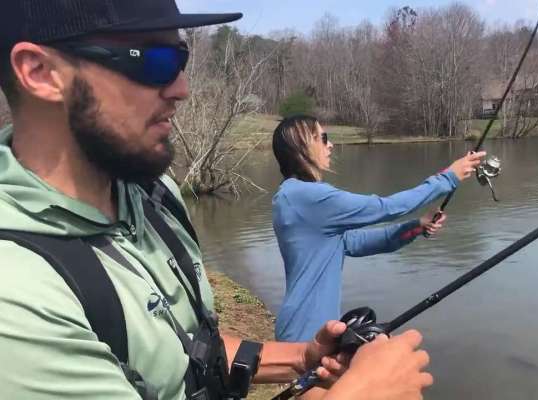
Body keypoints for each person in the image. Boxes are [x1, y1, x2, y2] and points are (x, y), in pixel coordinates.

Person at [0, 1, 434, 399]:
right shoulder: (16, 300)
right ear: (40, 71)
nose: (181, 87)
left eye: (181, 58)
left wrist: (301, 358)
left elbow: (186, 354)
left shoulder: (155, 196)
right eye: (154, 60)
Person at [272, 115, 486, 341]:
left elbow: (358, 242)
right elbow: (386, 207)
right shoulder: (307, 197)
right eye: (323, 138)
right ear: (302, 145)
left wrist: (416, 226)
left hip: (309, 328)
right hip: (304, 332)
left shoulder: (294, 197)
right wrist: (448, 178)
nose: (330, 145)